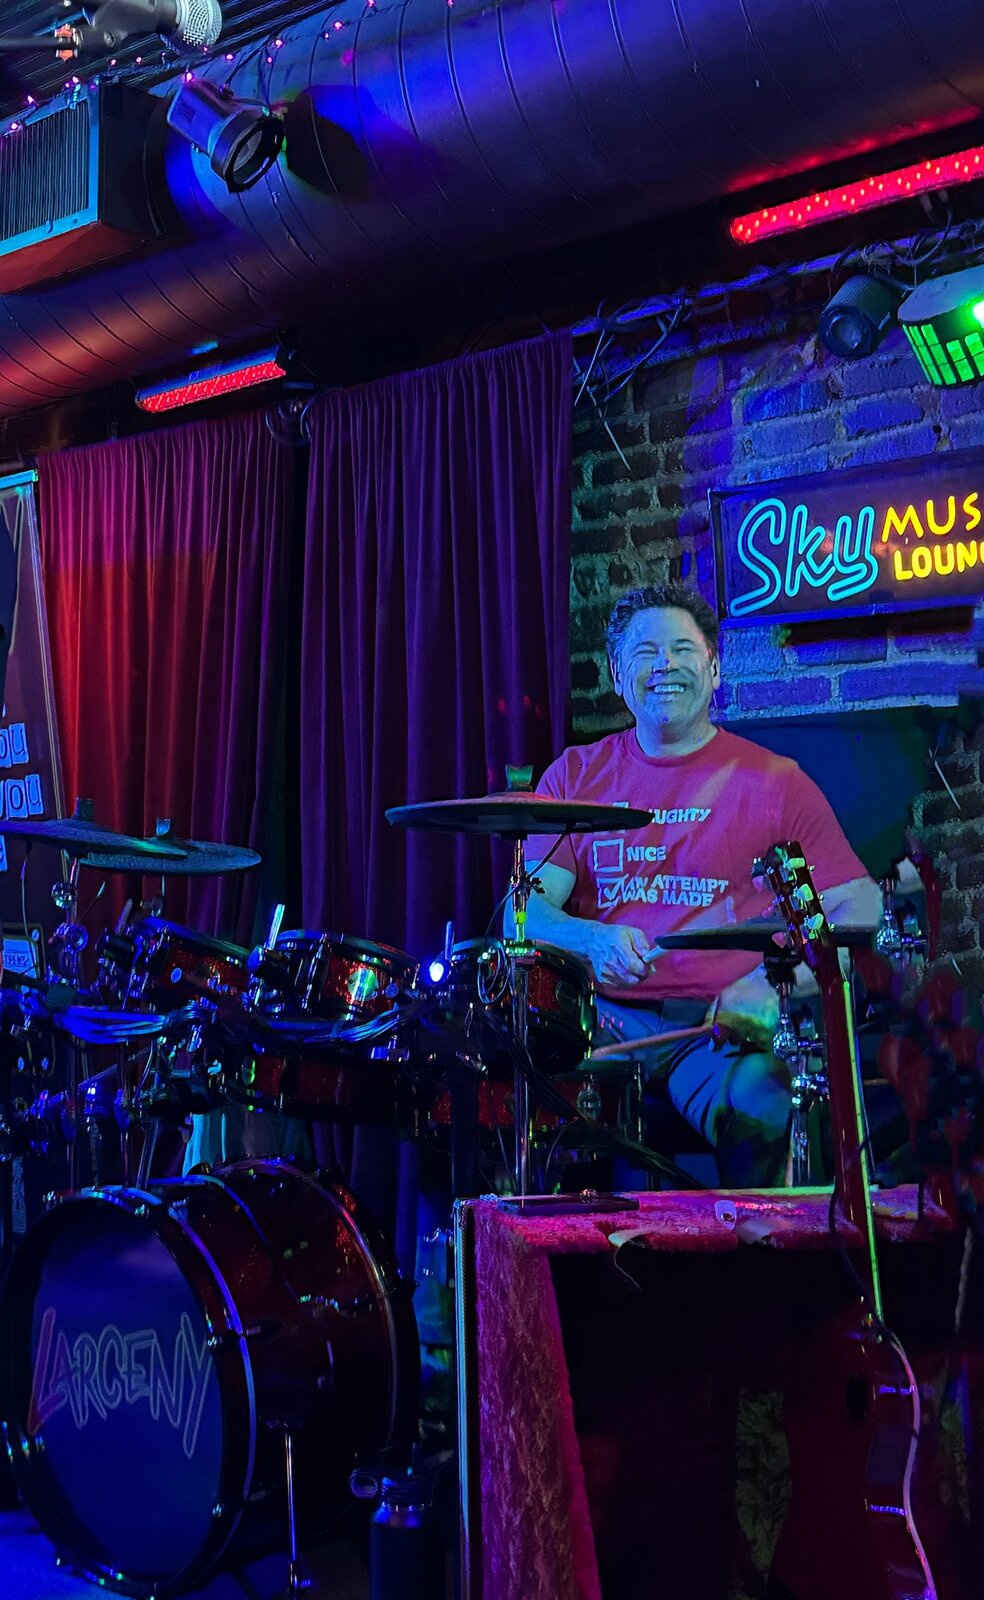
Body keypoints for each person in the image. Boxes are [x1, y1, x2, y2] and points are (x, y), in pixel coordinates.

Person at [525, 582, 881, 1187]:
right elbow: (525, 912)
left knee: (770, 1111)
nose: (664, 665)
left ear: (714, 670)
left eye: (683, 650)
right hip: (600, 1020)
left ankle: (764, 1276)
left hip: (715, 1031)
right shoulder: (575, 776)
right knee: (510, 1106)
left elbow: (863, 906)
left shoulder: (775, 783)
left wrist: (778, 982)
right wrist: (591, 940)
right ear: (617, 676)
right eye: (644, 653)